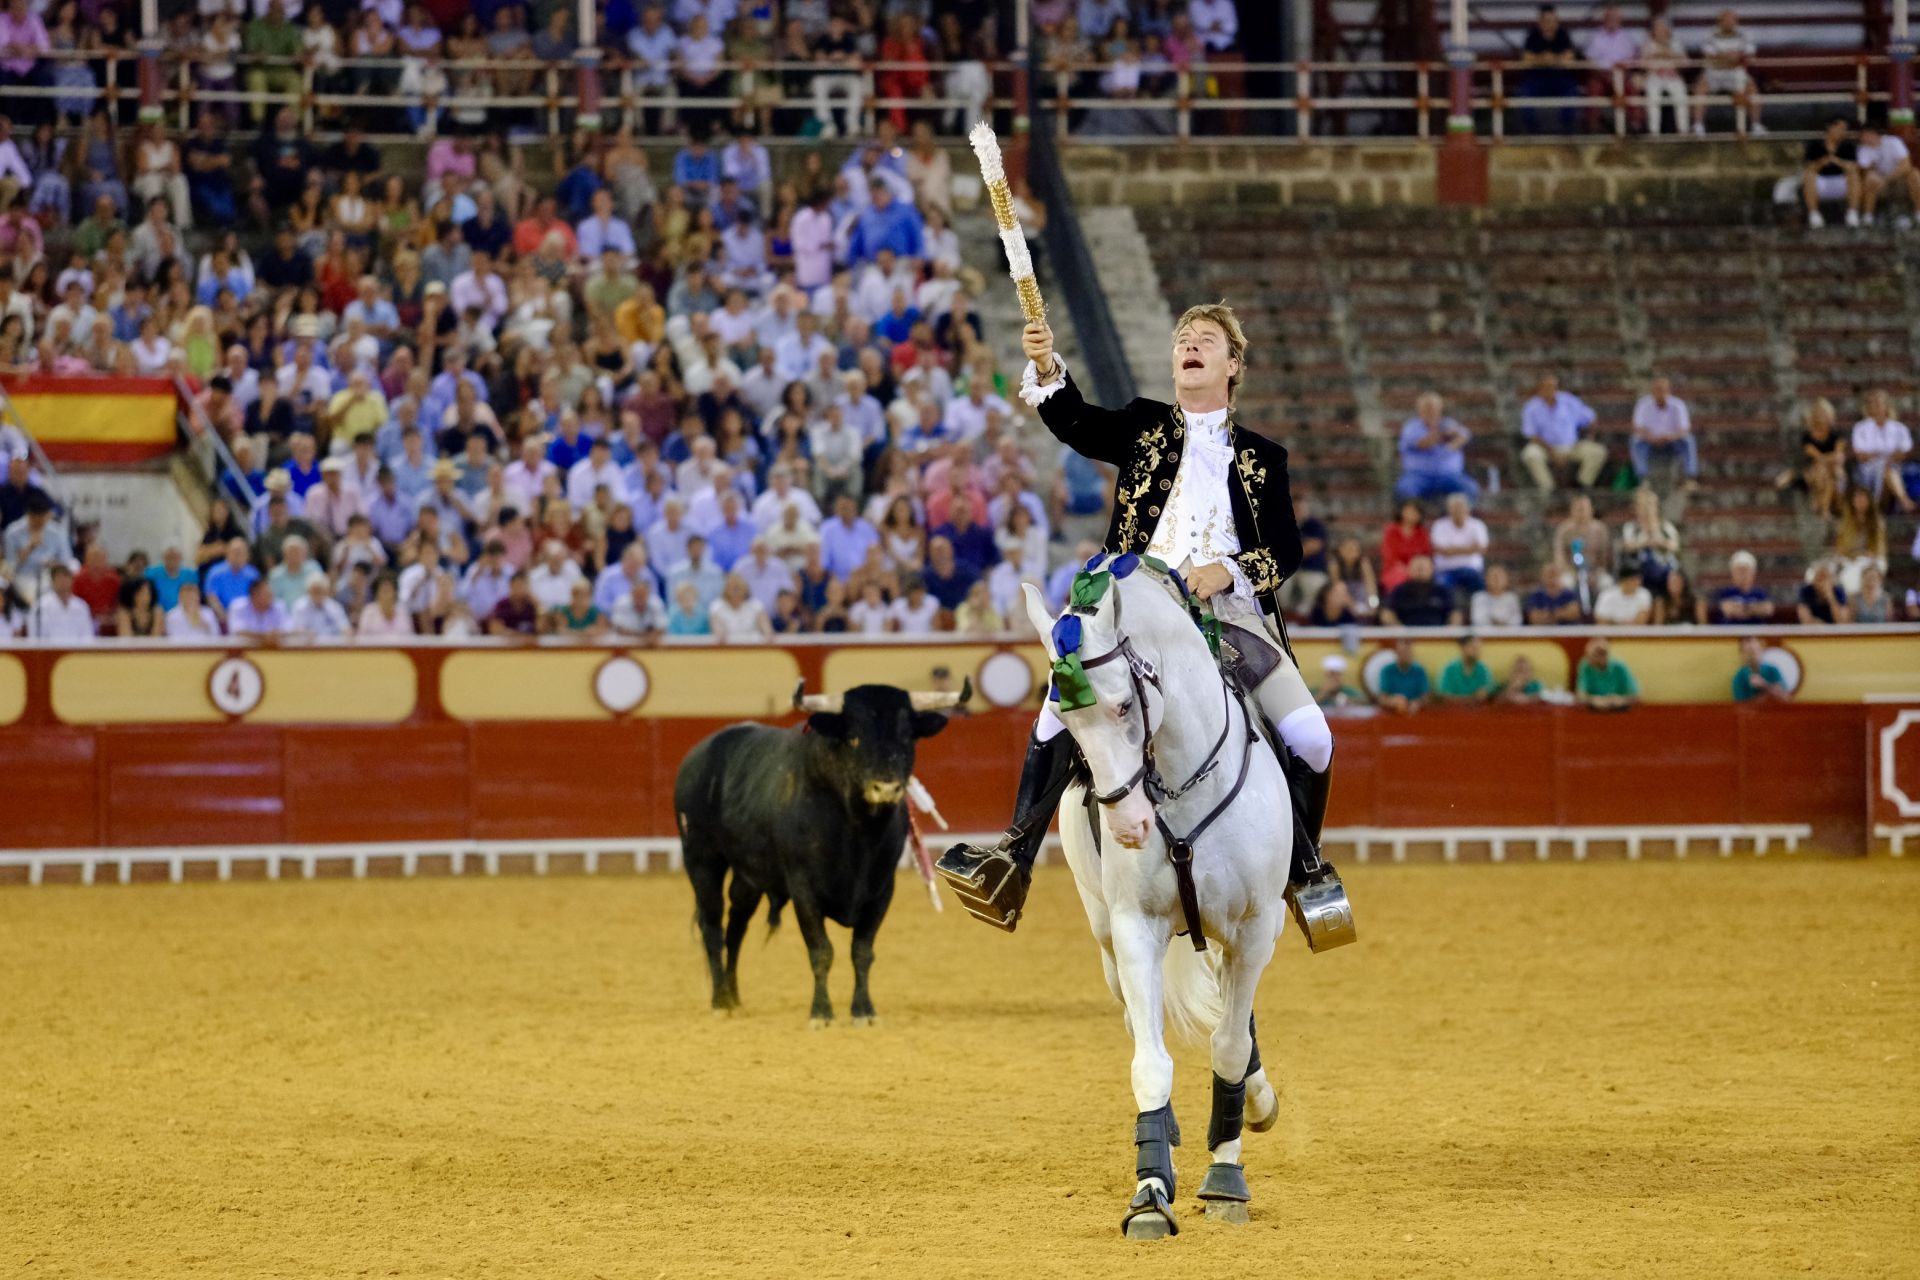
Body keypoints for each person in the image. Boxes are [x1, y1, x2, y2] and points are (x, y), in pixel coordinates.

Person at [939, 304, 1329, 935]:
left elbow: (1287, 550)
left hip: (1227, 618)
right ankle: (1012, 857)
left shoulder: (1263, 458)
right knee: (1058, 705)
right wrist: (1045, 365)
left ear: (1233, 366)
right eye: (1183, 339)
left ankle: (1303, 871)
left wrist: (1228, 571)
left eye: (1207, 341)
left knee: (1313, 736)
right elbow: (1077, 424)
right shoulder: (1146, 425)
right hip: (1132, 610)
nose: (1190, 346)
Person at [1520, 373, 1606, 491]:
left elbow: (1591, 418)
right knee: (1530, 454)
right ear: (1539, 389)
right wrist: (1551, 452)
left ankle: (1581, 486)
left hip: (1572, 446)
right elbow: (1531, 435)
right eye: (1547, 387)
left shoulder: (1568, 401)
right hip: (1545, 448)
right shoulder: (1531, 407)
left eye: (1554, 387)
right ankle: (1548, 489)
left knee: (1598, 451)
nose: (1551, 390)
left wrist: (1590, 437)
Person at [1395, 393, 1477, 500]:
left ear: (1440, 408)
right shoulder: (1412, 427)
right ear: (1419, 410)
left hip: (1450, 476)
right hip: (1419, 476)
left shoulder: (1448, 423)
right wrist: (1443, 435)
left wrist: (1453, 443)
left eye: (1433, 408)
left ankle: (1452, 515)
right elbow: (1422, 443)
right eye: (1427, 408)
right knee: (1405, 490)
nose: (1431, 412)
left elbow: (1465, 436)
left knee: (1470, 488)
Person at [1850, 390, 1915, 513]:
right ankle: (1903, 500)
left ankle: (1881, 507)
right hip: (1867, 471)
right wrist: (1885, 456)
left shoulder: (1899, 428)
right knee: (1884, 468)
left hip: (1894, 469)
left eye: (1879, 404)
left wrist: (1878, 455)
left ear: (1887, 406)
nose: (1876, 407)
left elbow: (1902, 453)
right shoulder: (1860, 428)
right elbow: (1861, 456)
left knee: (1887, 469)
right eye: (1872, 404)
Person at [1629, 376, 1696, 490]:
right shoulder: (1643, 404)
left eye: (1662, 390)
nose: (1659, 393)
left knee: (1688, 440)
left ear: (1668, 391)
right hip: (1650, 441)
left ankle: (1690, 477)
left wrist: (1670, 437)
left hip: (1672, 441)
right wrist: (1651, 438)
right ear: (1652, 391)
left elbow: (1684, 428)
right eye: (1656, 390)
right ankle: (1643, 479)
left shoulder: (1677, 404)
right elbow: (1637, 427)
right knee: (1635, 441)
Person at [1802, 115, 1860, 229]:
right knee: (1808, 175)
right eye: (1840, 128)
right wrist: (1822, 162)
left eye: (1845, 129)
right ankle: (1814, 215)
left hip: (1841, 181)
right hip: (1821, 182)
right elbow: (1809, 167)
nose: (1843, 132)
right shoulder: (1815, 146)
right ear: (1830, 128)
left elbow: (1853, 167)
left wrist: (1837, 161)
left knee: (1854, 175)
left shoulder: (1848, 147)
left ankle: (1852, 214)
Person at [1856, 119, 1918, 225]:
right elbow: (1865, 171)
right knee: (1870, 179)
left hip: (1899, 182)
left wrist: (1887, 179)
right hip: (1880, 186)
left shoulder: (1893, 142)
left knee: (1915, 175)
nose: (1862, 138)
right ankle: (1868, 217)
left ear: (1872, 134)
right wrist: (1878, 178)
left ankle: (1918, 214)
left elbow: (1906, 165)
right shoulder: (1863, 149)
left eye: (1864, 135)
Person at [1574, 636, 1638, 711]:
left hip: (1620, 712)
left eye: (1595, 655)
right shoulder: (1585, 665)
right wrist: (1593, 700)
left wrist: (1621, 700)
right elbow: (1580, 696)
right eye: (1588, 656)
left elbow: (1636, 696)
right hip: (1594, 712)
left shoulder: (1620, 667)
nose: (1589, 660)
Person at [1374, 638, 1429, 715]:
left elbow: (1426, 697)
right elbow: (1382, 698)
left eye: (1408, 652)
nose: (1406, 655)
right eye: (1403, 652)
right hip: (1392, 713)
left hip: (1415, 713)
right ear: (1397, 653)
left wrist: (1418, 703)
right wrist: (1393, 701)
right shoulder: (1387, 671)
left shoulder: (1419, 671)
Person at [1436, 633, 1496, 704]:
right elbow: (1445, 697)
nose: (1477, 652)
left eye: (1479, 649)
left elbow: (1486, 696)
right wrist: (1472, 699)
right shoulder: (1449, 669)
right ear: (1462, 648)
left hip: (1478, 713)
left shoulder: (1484, 669)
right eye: (1474, 648)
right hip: (1453, 712)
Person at [1715, 550, 1772, 623]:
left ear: (1753, 573)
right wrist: (1754, 608)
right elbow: (1728, 610)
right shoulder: (1726, 592)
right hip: (1732, 631)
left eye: (1746, 571)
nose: (1743, 575)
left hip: (1755, 631)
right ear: (1733, 573)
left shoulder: (1759, 593)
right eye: (1739, 571)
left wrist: (1743, 609)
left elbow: (1768, 610)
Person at [1732, 636, 1792, 702]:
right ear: (1742, 654)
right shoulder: (1740, 677)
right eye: (1748, 652)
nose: (1752, 656)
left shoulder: (1772, 670)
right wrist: (1767, 696)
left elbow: (1786, 698)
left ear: (1761, 650)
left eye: (1755, 651)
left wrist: (1764, 685)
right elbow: (1740, 707)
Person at [1796, 560, 1851, 625]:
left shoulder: (1838, 591)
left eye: (1825, 578)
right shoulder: (1806, 590)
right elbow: (1806, 620)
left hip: (1835, 632)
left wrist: (1831, 597)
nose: (1822, 582)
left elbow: (1842, 621)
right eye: (1819, 577)